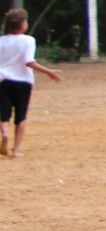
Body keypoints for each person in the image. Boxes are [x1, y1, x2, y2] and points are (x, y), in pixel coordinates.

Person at [0, 8, 62, 159]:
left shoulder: (1, 41)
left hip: (3, 81)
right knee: (21, 116)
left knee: (4, 114)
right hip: (23, 82)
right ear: (22, 25)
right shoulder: (29, 40)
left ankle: (5, 134)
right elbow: (29, 62)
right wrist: (49, 71)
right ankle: (16, 151)